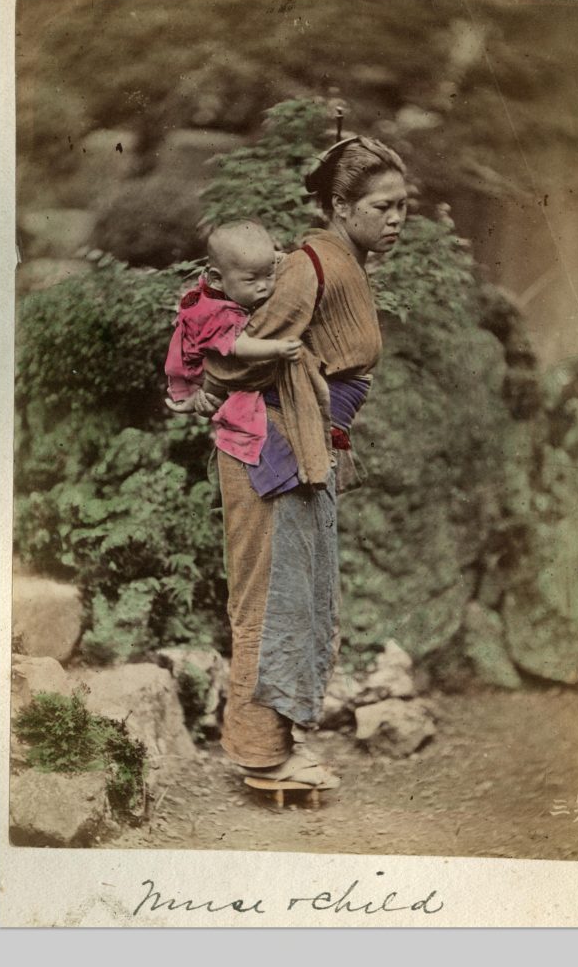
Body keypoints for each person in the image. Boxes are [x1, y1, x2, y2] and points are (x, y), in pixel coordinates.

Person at [200, 136, 408, 787]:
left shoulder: (345, 260)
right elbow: (229, 356)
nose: (397, 218)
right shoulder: (307, 265)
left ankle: (275, 744)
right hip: (273, 451)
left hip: (307, 444)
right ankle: (261, 757)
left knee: (300, 597)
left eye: (404, 206)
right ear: (341, 207)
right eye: (383, 206)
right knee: (270, 599)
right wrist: (301, 387)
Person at [164, 220, 302, 466]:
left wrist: (279, 260)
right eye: (252, 280)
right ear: (216, 279)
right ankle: (189, 401)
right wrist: (278, 348)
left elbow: (266, 264)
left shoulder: (226, 279)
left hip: (201, 345)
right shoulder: (219, 313)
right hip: (194, 365)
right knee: (214, 380)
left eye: (269, 275)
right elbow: (241, 348)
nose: (264, 286)